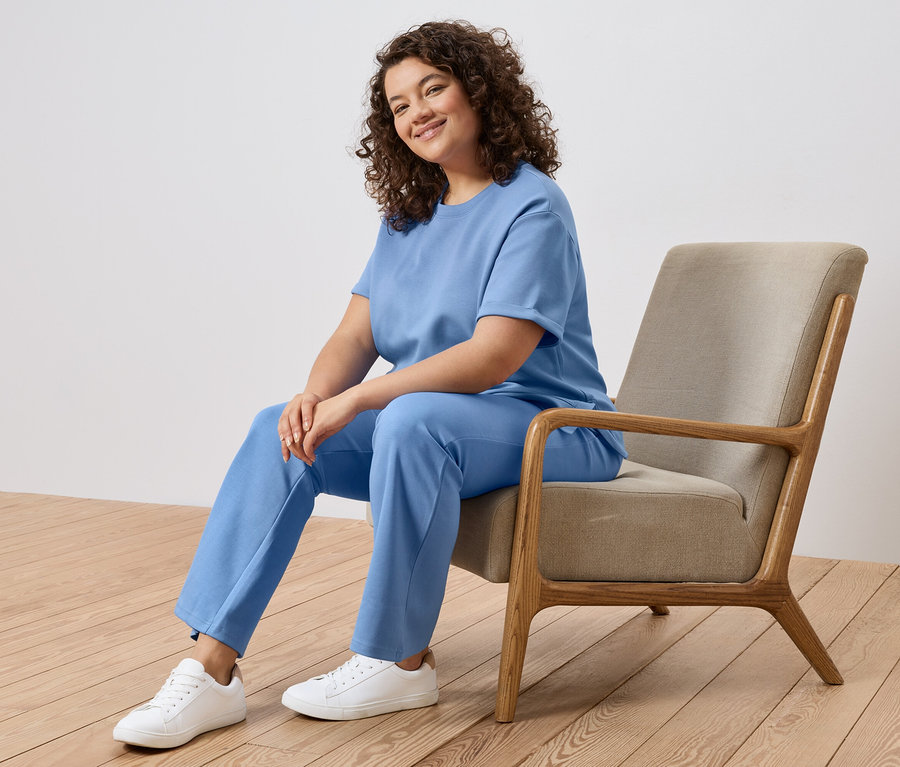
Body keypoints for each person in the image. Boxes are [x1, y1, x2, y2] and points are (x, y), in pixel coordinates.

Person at [113, 19, 626, 749]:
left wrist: (363, 398)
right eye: (397, 104)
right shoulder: (407, 218)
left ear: (479, 92)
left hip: (554, 426)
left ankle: (398, 659)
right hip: (439, 423)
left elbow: (492, 358)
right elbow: (357, 334)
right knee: (278, 430)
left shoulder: (533, 206)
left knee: (414, 419)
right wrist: (317, 396)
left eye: (433, 88)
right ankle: (211, 668)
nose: (415, 110)